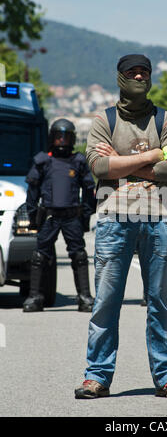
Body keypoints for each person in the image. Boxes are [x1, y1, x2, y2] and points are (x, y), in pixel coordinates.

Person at [75, 54, 167, 400]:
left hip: (159, 219)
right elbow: (98, 167)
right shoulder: (104, 120)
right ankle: (96, 376)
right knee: (106, 302)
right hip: (113, 219)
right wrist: (151, 156)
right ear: (120, 77)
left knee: (160, 303)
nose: (139, 76)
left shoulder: (165, 120)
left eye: (144, 72)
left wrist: (121, 165)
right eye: (132, 72)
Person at [23, 118, 96, 313]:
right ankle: (35, 297)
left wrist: (86, 217)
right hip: (49, 216)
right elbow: (32, 192)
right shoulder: (43, 161)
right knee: (39, 256)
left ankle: (84, 297)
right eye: (58, 137)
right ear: (51, 139)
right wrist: (32, 218)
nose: (62, 141)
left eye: (65, 137)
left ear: (72, 139)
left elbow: (89, 191)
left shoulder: (78, 161)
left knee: (79, 256)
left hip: (72, 216)